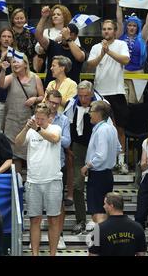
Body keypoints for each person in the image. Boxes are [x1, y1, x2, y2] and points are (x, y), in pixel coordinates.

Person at [64, 80, 109, 234]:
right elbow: (67, 124)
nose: (83, 99)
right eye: (81, 96)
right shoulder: (71, 104)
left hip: (97, 150)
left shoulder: (101, 104)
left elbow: (110, 126)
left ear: (92, 93)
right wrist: (69, 146)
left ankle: (99, 222)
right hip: (79, 147)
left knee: (97, 189)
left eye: (86, 96)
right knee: (77, 185)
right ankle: (81, 220)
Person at [16, 104, 62, 256]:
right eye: (37, 118)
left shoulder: (55, 128)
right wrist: (26, 128)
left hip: (53, 180)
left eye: (42, 119)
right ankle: (35, 254)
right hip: (33, 180)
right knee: (34, 219)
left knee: (53, 220)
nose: (39, 121)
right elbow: (18, 143)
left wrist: (37, 129)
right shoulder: (31, 130)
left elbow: (54, 139)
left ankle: (52, 254)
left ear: (50, 118)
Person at [87, 20, 130, 174]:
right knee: (98, 128)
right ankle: (98, 161)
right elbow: (90, 64)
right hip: (100, 93)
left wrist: (109, 51)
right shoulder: (96, 47)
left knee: (119, 128)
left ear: (115, 30)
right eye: (104, 29)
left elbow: (126, 60)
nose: (106, 31)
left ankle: (121, 162)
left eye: (109, 29)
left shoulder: (121, 44)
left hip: (117, 92)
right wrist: (102, 53)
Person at [0, 52, 44, 173]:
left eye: (18, 61)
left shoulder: (35, 78)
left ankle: (32, 180)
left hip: (29, 121)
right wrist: (3, 70)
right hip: (12, 122)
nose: (15, 64)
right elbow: (1, 84)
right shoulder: (11, 77)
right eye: (13, 62)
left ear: (25, 63)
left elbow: (43, 97)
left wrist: (35, 99)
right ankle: (18, 184)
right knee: (14, 155)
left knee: (31, 152)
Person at [82, 101, 121, 231]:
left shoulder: (102, 130)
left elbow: (101, 155)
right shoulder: (111, 128)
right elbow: (118, 148)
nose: (89, 114)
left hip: (98, 174)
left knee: (98, 211)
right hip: (107, 174)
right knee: (103, 210)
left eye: (91, 111)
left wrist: (88, 166)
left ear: (99, 113)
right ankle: (101, 244)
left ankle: (98, 245)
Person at [116, 0, 148, 103]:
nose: (131, 27)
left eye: (134, 26)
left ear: (137, 27)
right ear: (126, 26)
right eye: (129, 25)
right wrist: (118, 5)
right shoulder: (121, 37)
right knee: (123, 101)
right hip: (123, 72)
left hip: (138, 73)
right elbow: (119, 21)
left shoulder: (141, 38)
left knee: (136, 102)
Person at [44, 90, 71, 250]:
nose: (54, 106)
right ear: (46, 100)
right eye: (51, 102)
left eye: (57, 103)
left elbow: (67, 142)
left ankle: (58, 235)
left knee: (58, 202)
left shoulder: (64, 119)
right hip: (40, 165)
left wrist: (53, 136)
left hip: (57, 165)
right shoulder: (37, 117)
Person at [35, 6, 86, 86]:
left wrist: (68, 38)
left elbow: (80, 57)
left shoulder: (79, 50)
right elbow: (38, 35)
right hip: (52, 90)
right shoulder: (53, 46)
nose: (64, 34)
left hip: (71, 90)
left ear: (75, 36)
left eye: (58, 14)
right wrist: (44, 18)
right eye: (63, 32)